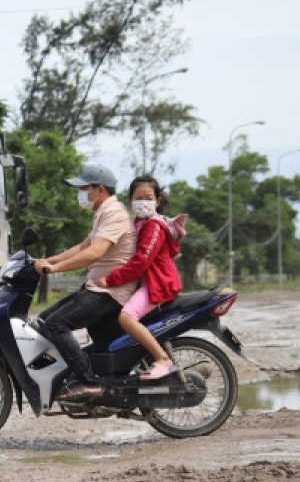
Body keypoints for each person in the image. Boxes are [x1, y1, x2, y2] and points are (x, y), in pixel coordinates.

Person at [32, 163, 137, 399]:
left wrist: (55, 269)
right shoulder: (103, 213)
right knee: (43, 320)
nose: (81, 193)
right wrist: (46, 261)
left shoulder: (115, 214)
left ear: (99, 190)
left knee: (55, 325)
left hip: (111, 291)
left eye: (84, 188)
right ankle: (67, 373)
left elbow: (94, 253)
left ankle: (90, 382)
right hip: (98, 288)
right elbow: (83, 246)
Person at [93, 175, 186, 380]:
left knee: (126, 317)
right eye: (138, 197)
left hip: (159, 284)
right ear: (130, 200)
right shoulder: (138, 223)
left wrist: (110, 280)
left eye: (148, 197)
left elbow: (140, 262)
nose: (143, 201)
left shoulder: (154, 226)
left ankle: (162, 359)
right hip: (147, 283)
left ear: (157, 201)